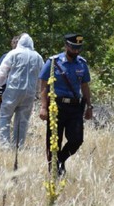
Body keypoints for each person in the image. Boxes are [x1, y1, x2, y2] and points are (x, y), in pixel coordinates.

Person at [39, 33, 93, 176]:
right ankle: (54, 172)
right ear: (66, 46)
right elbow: (44, 86)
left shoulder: (82, 63)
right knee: (54, 140)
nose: (76, 51)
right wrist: (43, 107)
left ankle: (60, 160)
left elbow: (85, 86)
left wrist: (89, 106)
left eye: (78, 48)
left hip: (75, 107)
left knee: (77, 139)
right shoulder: (53, 62)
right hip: (56, 106)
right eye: (73, 48)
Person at [0, 33, 44, 148]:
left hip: (13, 91)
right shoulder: (38, 57)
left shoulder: (14, 53)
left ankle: (4, 145)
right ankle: (18, 146)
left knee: (5, 116)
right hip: (29, 93)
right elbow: (41, 77)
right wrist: (38, 93)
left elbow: (2, 72)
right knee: (22, 120)